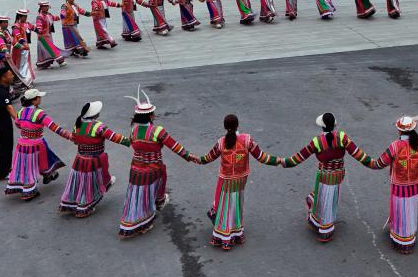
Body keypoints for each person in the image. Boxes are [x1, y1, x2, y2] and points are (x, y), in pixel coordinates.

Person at [365, 108, 418, 254]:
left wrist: (363, 159)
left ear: (399, 131)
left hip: (399, 187)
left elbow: (378, 164)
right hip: (415, 187)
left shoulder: (394, 146)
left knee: (400, 212)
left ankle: (402, 240)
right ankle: (410, 236)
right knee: (410, 210)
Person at [279, 112, 373, 242]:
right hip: (339, 174)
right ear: (334, 125)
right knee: (330, 197)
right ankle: (323, 224)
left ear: (322, 127)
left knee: (324, 197)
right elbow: (359, 154)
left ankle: (325, 229)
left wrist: (282, 161)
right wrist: (374, 163)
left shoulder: (317, 141)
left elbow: (298, 158)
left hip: (324, 176)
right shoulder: (342, 137)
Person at [193, 114, 282, 250]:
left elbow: (208, 158)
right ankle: (236, 232)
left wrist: (196, 159)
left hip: (226, 181)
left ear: (224, 127)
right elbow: (262, 157)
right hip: (241, 180)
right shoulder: (246, 140)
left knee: (225, 206)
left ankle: (225, 236)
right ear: (238, 125)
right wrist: (278, 160)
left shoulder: (221, 142)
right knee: (236, 204)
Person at [119, 88, 198, 238]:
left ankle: (133, 217)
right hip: (153, 168)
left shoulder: (133, 131)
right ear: (150, 116)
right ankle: (157, 202)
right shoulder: (157, 131)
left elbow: (129, 142)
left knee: (136, 192)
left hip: (135, 169)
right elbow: (176, 147)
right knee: (162, 173)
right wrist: (191, 157)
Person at [59, 101, 131, 218]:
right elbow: (113, 137)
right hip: (94, 160)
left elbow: (75, 140)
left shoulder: (78, 125)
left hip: (80, 159)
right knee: (90, 182)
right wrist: (129, 141)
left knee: (80, 181)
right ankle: (84, 207)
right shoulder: (98, 126)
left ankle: (73, 203)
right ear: (95, 114)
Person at [5, 88, 72, 201]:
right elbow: (54, 127)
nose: (40, 99)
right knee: (33, 166)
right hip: (35, 144)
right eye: (39, 97)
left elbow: (18, 124)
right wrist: (70, 136)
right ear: (34, 100)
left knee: (24, 166)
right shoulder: (39, 113)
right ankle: (29, 192)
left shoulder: (21, 112)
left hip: (22, 144)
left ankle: (47, 174)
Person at [0, 67, 17, 181]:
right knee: (6, 148)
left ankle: (6, 169)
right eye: (10, 74)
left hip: (0, 123)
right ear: (4, 78)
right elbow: (9, 108)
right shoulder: (0, 91)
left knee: (6, 147)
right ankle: (2, 173)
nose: (12, 76)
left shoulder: (1, 89)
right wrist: (19, 121)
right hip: (2, 125)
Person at [34, 1, 65, 69]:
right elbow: (39, 27)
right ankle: (60, 61)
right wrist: (39, 33)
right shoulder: (39, 17)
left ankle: (46, 63)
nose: (46, 8)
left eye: (47, 6)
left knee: (47, 50)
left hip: (49, 35)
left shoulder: (49, 15)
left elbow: (55, 18)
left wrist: (62, 13)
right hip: (43, 37)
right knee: (50, 49)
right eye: (45, 6)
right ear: (41, 8)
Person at [10, 9, 37, 87]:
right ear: (19, 16)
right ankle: (23, 80)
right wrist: (24, 44)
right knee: (21, 64)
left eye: (26, 16)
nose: (25, 18)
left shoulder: (27, 24)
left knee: (26, 63)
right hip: (19, 48)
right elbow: (19, 37)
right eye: (24, 16)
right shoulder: (15, 26)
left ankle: (27, 79)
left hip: (25, 48)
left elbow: (34, 28)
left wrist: (39, 32)